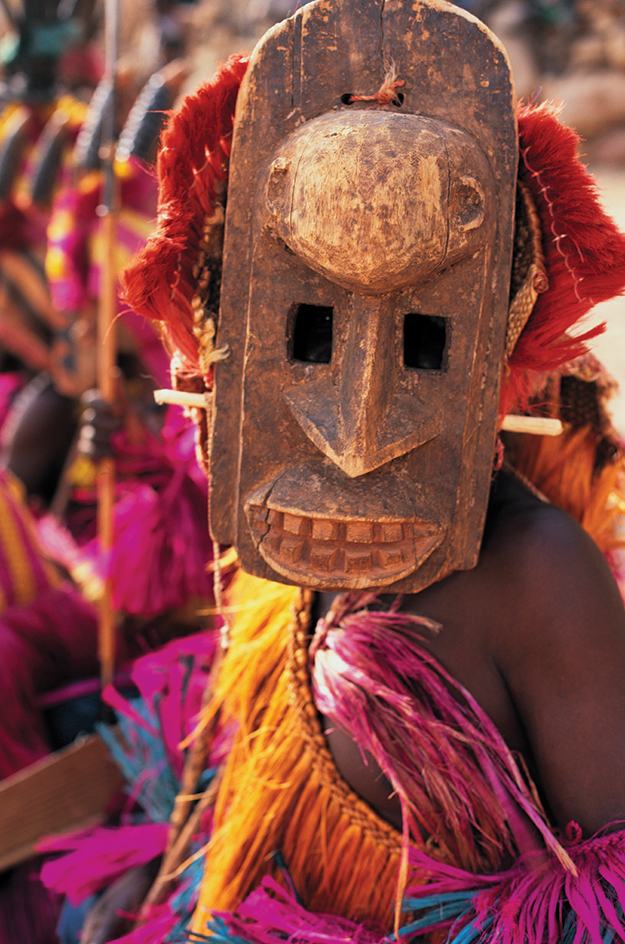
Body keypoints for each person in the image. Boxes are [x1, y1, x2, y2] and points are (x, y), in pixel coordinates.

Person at [40, 0, 625, 941]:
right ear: (212, 330)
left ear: (495, 351)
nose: (357, 438)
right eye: (302, 335)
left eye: (423, 347)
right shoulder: (269, 540)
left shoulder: (536, 577)